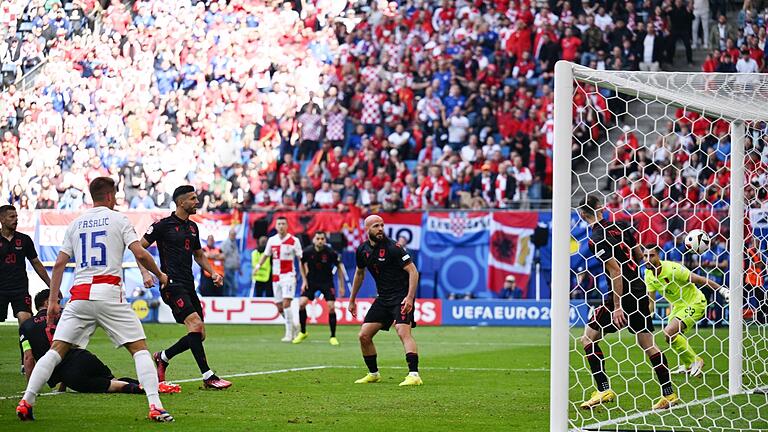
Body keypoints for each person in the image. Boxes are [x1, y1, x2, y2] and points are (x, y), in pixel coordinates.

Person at [16, 177, 173, 422]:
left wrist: (55, 299)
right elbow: (140, 253)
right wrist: (160, 274)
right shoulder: (119, 219)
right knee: (139, 349)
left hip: (79, 296)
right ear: (110, 196)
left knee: (55, 351)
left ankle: (26, 401)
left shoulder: (76, 223)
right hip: (108, 293)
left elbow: (59, 263)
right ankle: (155, 405)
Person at [577, 195, 676, 410]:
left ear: (582, 214)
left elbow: (615, 271)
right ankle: (669, 394)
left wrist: (618, 305)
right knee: (648, 344)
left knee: (588, 339)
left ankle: (603, 390)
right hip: (639, 288)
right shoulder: (621, 226)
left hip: (622, 295)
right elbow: (640, 256)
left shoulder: (596, 238)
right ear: (600, 208)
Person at [138, 185, 232, 390]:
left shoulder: (193, 227)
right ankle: (208, 376)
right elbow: (138, 248)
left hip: (189, 284)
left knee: (199, 334)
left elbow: (198, 255)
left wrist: (213, 273)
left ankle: (163, 357)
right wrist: (146, 273)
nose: (197, 202)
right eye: (193, 199)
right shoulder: (162, 225)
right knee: (195, 325)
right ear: (181, 202)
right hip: (171, 284)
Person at [20, 289, 181, 395]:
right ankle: (153, 386)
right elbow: (72, 343)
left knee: (113, 386)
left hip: (70, 375)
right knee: (114, 381)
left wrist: (31, 389)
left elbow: (28, 359)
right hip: (84, 358)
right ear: (47, 303)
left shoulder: (26, 327)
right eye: (57, 301)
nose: (60, 305)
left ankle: (150, 390)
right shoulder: (63, 316)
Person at [349, 215, 423, 386]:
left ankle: (414, 375)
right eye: (376, 226)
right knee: (364, 335)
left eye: (382, 225)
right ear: (367, 229)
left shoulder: (394, 247)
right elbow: (359, 273)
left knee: (403, 331)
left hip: (401, 297)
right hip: (383, 298)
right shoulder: (362, 250)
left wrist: (410, 298)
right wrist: (352, 299)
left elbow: (413, 271)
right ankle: (373, 374)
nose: (380, 228)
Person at [644, 246, 730, 376]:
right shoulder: (648, 275)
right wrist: (646, 317)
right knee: (670, 337)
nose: (647, 259)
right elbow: (651, 302)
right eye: (645, 256)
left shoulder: (673, 269)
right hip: (678, 307)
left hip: (695, 302)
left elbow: (701, 280)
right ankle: (689, 365)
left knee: (669, 331)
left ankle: (696, 361)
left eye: (651, 256)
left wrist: (722, 290)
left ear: (659, 256)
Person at [0, 204, 50, 372]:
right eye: (11, 217)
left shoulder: (25, 240)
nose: (16, 220)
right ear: (2, 219)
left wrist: (51, 285)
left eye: (16, 217)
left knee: (26, 322)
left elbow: (36, 263)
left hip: (19, 290)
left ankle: (26, 361)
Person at [254, 216, 307, 342]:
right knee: (279, 307)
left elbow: (301, 259)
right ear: (276, 226)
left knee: (286, 303)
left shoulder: (294, 241)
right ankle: (293, 326)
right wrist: (257, 266)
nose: (281, 226)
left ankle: (289, 334)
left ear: (287, 226)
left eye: (283, 223)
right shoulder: (272, 240)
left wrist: (305, 276)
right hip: (275, 277)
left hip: (288, 275)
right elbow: (266, 255)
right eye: (279, 224)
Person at [293, 231, 345, 345]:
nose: (320, 241)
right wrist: (304, 281)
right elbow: (301, 263)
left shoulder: (330, 252)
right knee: (301, 304)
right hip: (311, 282)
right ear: (314, 240)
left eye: (322, 239)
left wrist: (341, 286)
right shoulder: (307, 251)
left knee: (331, 307)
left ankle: (333, 336)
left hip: (327, 282)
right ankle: (303, 332)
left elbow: (339, 268)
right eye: (318, 238)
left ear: (325, 240)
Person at [221, 228, 240, 297]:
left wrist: (239, 267)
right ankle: (232, 299)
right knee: (232, 285)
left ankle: (228, 298)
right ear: (229, 235)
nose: (234, 236)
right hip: (227, 267)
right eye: (232, 235)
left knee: (228, 285)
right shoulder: (225, 244)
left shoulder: (234, 243)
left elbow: (236, 256)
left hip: (233, 268)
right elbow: (222, 256)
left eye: (234, 235)